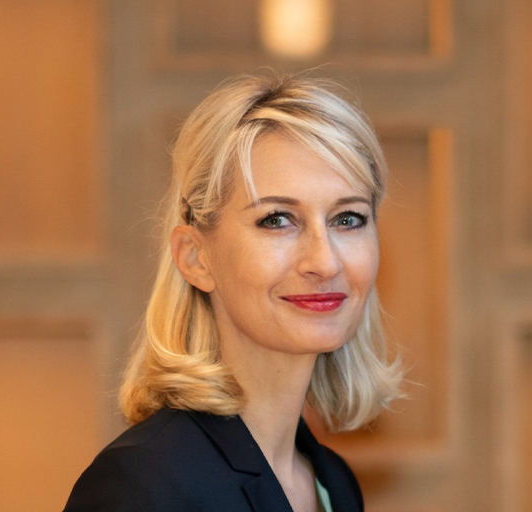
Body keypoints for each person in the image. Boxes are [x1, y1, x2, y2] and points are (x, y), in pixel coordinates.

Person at [63, 71, 402, 512]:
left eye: (347, 219)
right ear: (196, 258)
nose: (325, 262)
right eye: (277, 220)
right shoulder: (142, 484)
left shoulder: (334, 482)